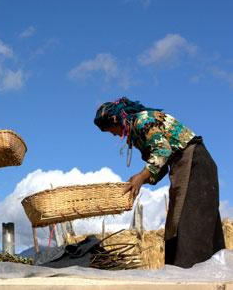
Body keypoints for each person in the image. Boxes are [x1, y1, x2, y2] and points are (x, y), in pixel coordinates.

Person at [93, 97, 225, 268]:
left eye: (111, 130)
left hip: (196, 163)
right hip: (182, 166)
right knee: (176, 225)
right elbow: (160, 165)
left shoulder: (143, 121)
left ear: (115, 120)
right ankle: (180, 273)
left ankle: (194, 278)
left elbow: (163, 150)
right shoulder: (137, 134)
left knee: (190, 224)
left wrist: (141, 177)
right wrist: (139, 179)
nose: (114, 134)